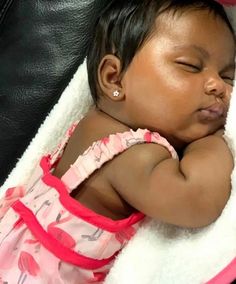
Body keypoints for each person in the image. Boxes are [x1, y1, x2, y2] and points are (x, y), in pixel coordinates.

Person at [0, 0, 235, 283]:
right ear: (114, 78)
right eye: (190, 65)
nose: (218, 86)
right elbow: (195, 200)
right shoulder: (129, 154)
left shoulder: (91, 128)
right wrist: (215, 139)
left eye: (228, 76)